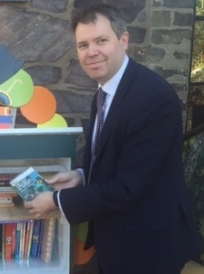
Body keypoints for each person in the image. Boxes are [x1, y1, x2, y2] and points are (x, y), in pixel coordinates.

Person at [24, 4, 199, 274]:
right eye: (83, 45)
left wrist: (57, 202)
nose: (91, 52)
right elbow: (115, 160)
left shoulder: (153, 98)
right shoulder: (103, 94)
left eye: (101, 41)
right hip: (116, 241)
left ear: (123, 40)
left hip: (148, 248)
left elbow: (128, 188)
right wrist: (81, 176)